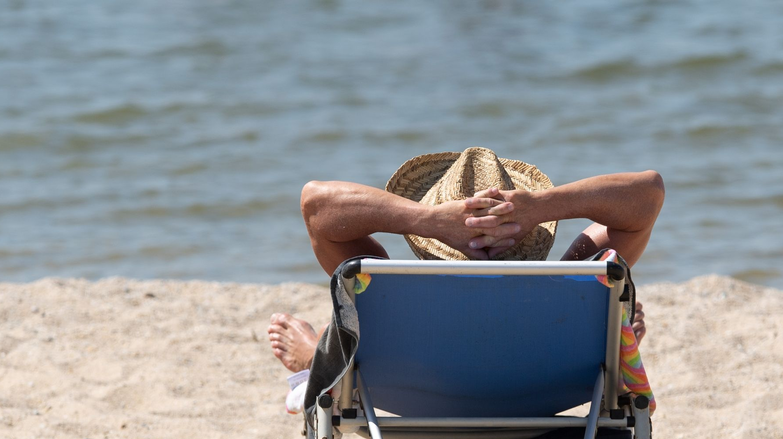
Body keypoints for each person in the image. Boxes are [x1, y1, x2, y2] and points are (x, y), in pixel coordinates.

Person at [269, 147, 660, 372]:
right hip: (546, 396)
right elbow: (649, 194)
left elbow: (315, 205)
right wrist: (543, 206)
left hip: (417, 397)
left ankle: (318, 357)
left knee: (356, 316)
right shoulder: (572, 286)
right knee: (603, 308)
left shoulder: (388, 293)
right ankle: (606, 344)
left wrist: (425, 220)